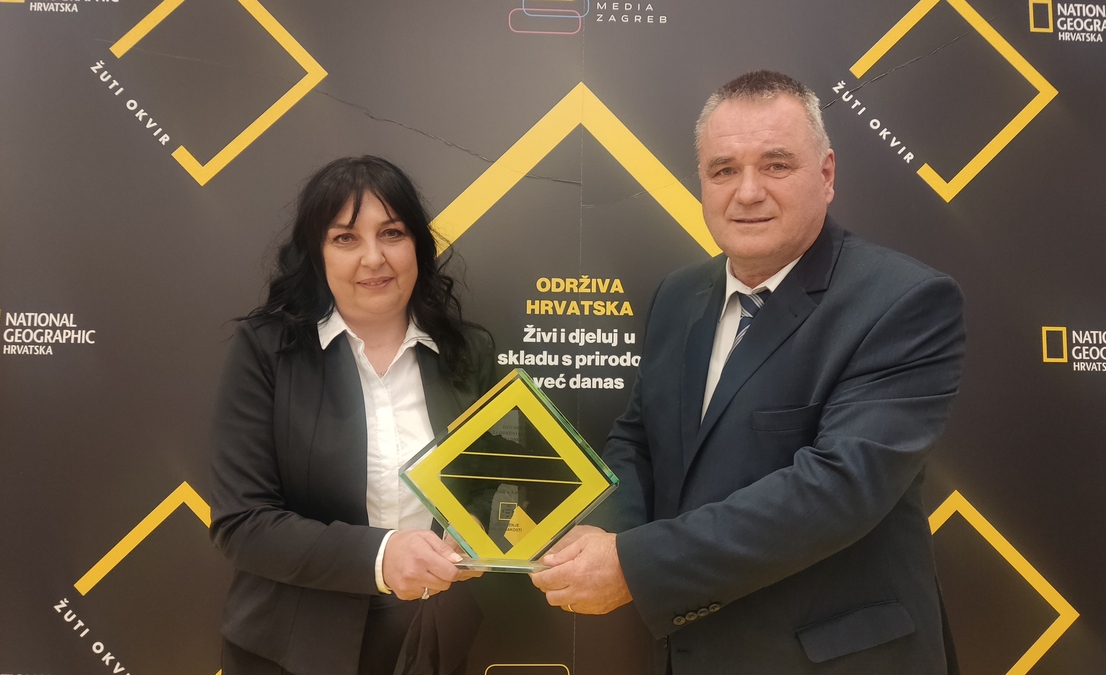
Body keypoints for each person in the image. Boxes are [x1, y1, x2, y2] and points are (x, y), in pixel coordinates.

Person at [530, 71, 966, 673]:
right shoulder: (677, 295)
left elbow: (837, 488)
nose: (748, 192)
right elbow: (638, 440)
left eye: (776, 165)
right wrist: (609, 538)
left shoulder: (903, 301)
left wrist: (635, 566)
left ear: (827, 174)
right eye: (724, 170)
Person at [209, 156, 494, 675]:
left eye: (392, 233)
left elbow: (496, 485)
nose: (373, 257)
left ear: (417, 245)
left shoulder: (467, 351)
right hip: (290, 650)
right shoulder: (266, 349)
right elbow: (243, 521)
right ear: (316, 253)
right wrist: (382, 557)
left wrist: (478, 531)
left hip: (432, 643)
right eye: (345, 238)